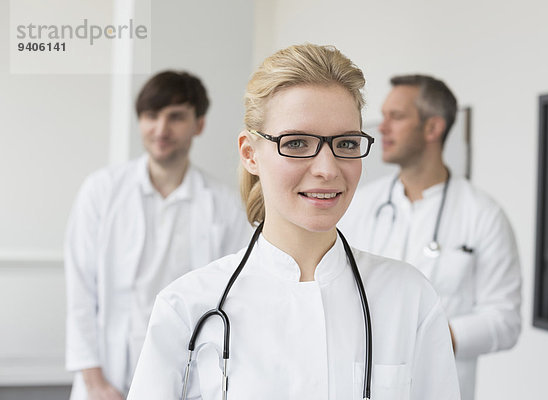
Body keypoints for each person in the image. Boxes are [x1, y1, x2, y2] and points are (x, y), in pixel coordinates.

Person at [127, 44, 460, 400]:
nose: (327, 169)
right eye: (298, 143)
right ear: (250, 154)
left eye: (346, 144)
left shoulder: (409, 296)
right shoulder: (186, 306)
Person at [64, 70, 251, 400]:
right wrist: (95, 384)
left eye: (176, 117)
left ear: (199, 124)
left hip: (188, 380)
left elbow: (233, 301)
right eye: (151, 116)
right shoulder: (101, 191)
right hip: (106, 379)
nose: (161, 129)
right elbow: (80, 293)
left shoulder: (224, 206)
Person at [340, 74, 522, 400]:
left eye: (396, 117)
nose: (381, 127)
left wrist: (435, 336)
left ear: (432, 128)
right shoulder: (360, 204)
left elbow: (505, 321)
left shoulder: (483, 215)